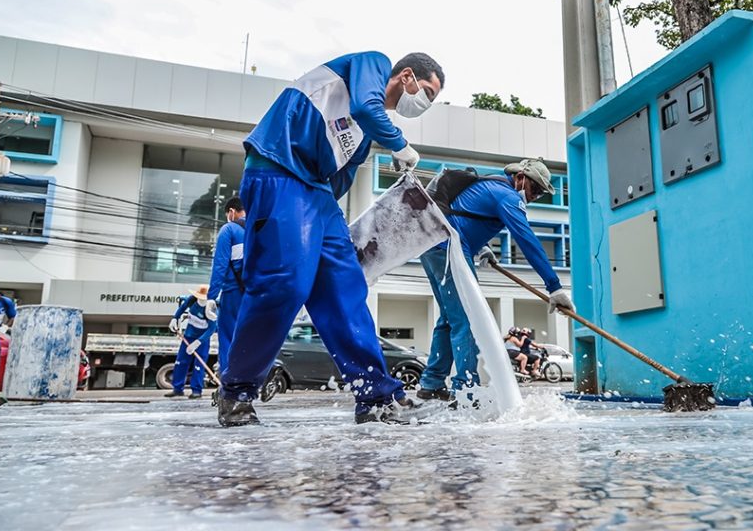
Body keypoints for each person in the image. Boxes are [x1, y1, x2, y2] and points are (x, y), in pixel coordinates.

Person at [218, 51, 445, 426]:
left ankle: (375, 395)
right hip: (279, 167)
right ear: (405, 75)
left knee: (345, 288)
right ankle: (236, 391)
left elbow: (339, 180)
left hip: (317, 194)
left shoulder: (364, 137)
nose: (424, 104)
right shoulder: (372, 65)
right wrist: (401, 145)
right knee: (285, 282)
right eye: (427, 93)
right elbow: (368, 107)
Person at [415, 158, 575, 403]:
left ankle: (432, 383)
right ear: (521, 176)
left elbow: (465, 214)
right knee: (467, 317)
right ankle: (467, 390)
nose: (535, 196)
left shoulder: (493, 186)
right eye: (536, 189)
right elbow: (527, 240)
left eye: (541, 194)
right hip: (448, 248)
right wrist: (554, 286)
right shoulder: (508, 196)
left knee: (450, 317)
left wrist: (483, 247)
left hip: (434, 245)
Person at [207, 197, 246, 374]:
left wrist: (211, 296)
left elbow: (220, 265)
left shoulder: (229, 229)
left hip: (234, 292)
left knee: (228, 337)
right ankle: (249, 384)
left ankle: (229, 385)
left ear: (231, 212)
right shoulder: (260, 230)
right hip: (259, 294)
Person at [166, 285, 217, 399]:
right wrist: (175, 318)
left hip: (202, 340)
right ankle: (177, 389)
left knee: (198, 365)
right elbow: (182, 307)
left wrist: (197, 343)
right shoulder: (192, 299)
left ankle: (196, 391)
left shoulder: (210, 308)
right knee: (180, 362)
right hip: (188, 337)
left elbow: (211, 329)